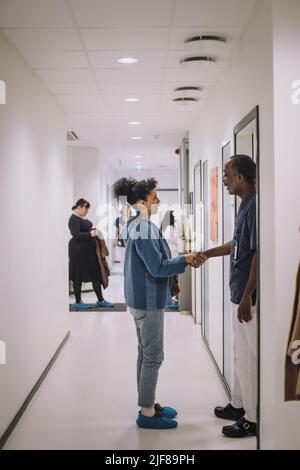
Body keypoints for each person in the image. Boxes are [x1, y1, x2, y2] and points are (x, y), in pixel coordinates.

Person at [112, 177, 200, 430]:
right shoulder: (144, 228)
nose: (159, 201)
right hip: (147, 302)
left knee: (144, 353)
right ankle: (146, 413)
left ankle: (147, 404)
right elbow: (157, 267)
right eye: (154, 197)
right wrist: (186, 259)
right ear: (141, 202)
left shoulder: (134, 224)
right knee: (153, 357)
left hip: (138, 298)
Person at [194, 154, 257, 438]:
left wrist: (247, 295)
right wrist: (208, 253)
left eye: (228, 175)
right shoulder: (244, 204)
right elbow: (237, 244)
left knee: (248, 355)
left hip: (247, 297)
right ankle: (238, 404)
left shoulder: (255, 206)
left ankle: (252, 418)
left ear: (241, 177)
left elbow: (257, 252)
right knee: (237, 352)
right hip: (237, 292)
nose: (224, 181)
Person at [69, 198, 114, 309]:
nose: (87, 212)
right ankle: (78, 302)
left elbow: (85, 231)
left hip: (89, 253)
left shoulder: (81, 217)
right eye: (86, 209)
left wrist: (94, 232)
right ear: (79, 207)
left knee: (96, 275)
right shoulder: (73, 219)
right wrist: (90, 235)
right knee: (78, 277)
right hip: (78, 253)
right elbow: (76, 235)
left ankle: (101, 300)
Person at [160, 210, 180, 310]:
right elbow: (177, 242)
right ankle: (173, 299)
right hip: (174, 255)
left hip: (169, 256)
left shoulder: (163, 229)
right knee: (174, 279)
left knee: (172, 279)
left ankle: (172, 299)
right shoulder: (171, 229)